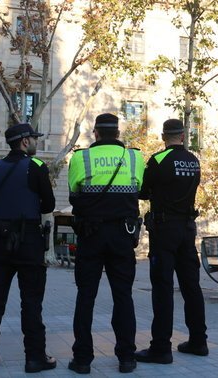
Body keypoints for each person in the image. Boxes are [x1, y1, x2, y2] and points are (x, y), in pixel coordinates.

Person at [67, 113, 145, 374]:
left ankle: (82, 360)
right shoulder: (135, 157)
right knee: (123, 297)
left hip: (90, 237)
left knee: (85, 297)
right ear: (118, 133)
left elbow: (74, 192)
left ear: (96, 133)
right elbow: (140, 189)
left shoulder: (81, 158)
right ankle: (126, 358)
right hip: (123, 236)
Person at [0, 122, 56, 373]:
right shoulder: (37, 167)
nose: (36, 142)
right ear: (24, 142)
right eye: (34, 138)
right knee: (31, 302)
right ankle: (35, 358)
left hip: (1, 243)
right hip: (29, 242)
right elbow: (48, 205)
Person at [135, 119, 208, 364]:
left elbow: (143, 192)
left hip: (164, 230)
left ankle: (161, 348)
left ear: (163, 136)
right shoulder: (194, 161)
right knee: (191, 286)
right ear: (184, 137)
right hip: (187, 229)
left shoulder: (158, 160)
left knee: (163, 287)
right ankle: (199, 341)